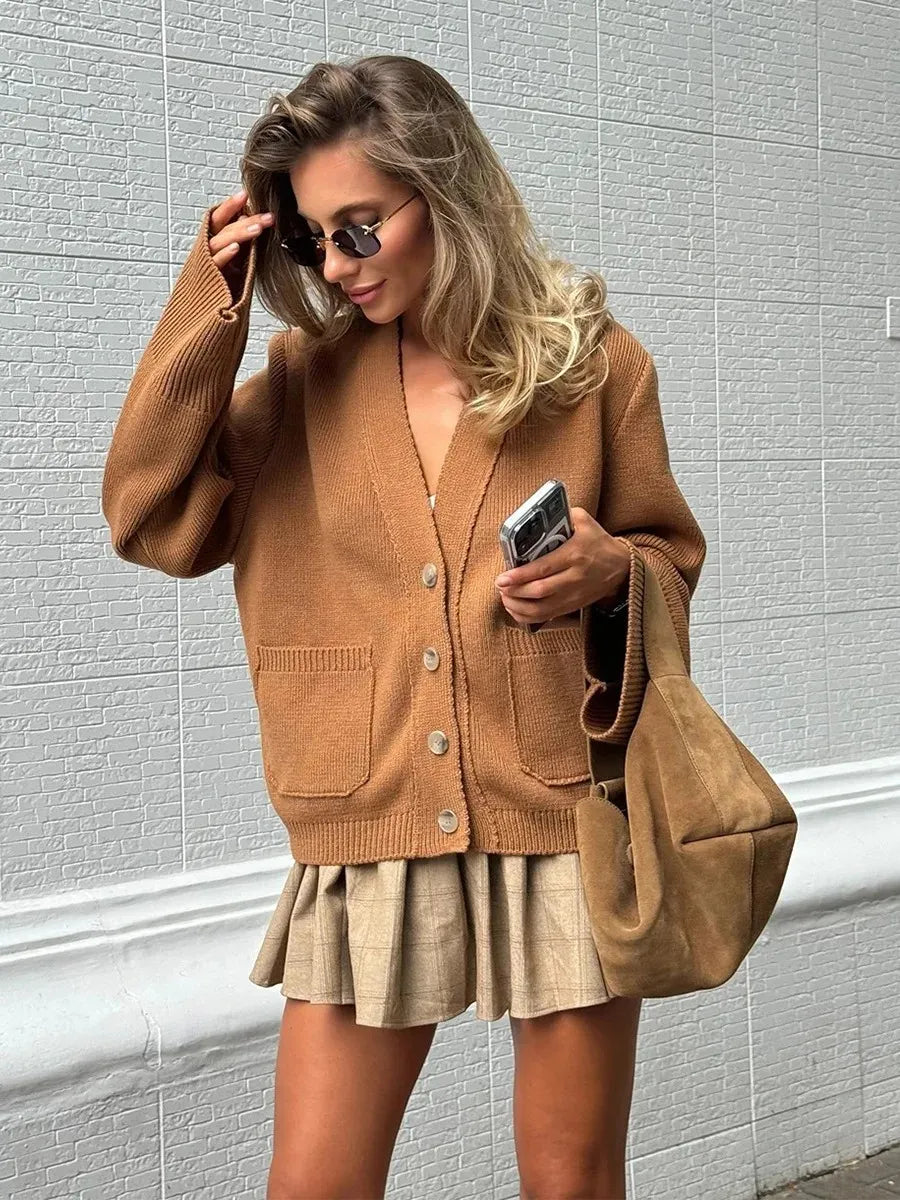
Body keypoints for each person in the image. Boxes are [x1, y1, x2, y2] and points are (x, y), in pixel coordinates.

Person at [102, 53, 706, 1200]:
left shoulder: (593, 368)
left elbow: (669, 562)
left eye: (359, 228)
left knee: (573, 1180)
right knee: (315, 1185)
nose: (335, 265)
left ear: (447, 191)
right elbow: (148, 517)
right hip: (366, 815)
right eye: (312, 241)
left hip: (559, 818)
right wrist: (210, 305)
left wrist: (607, 571)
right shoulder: (298, 382)